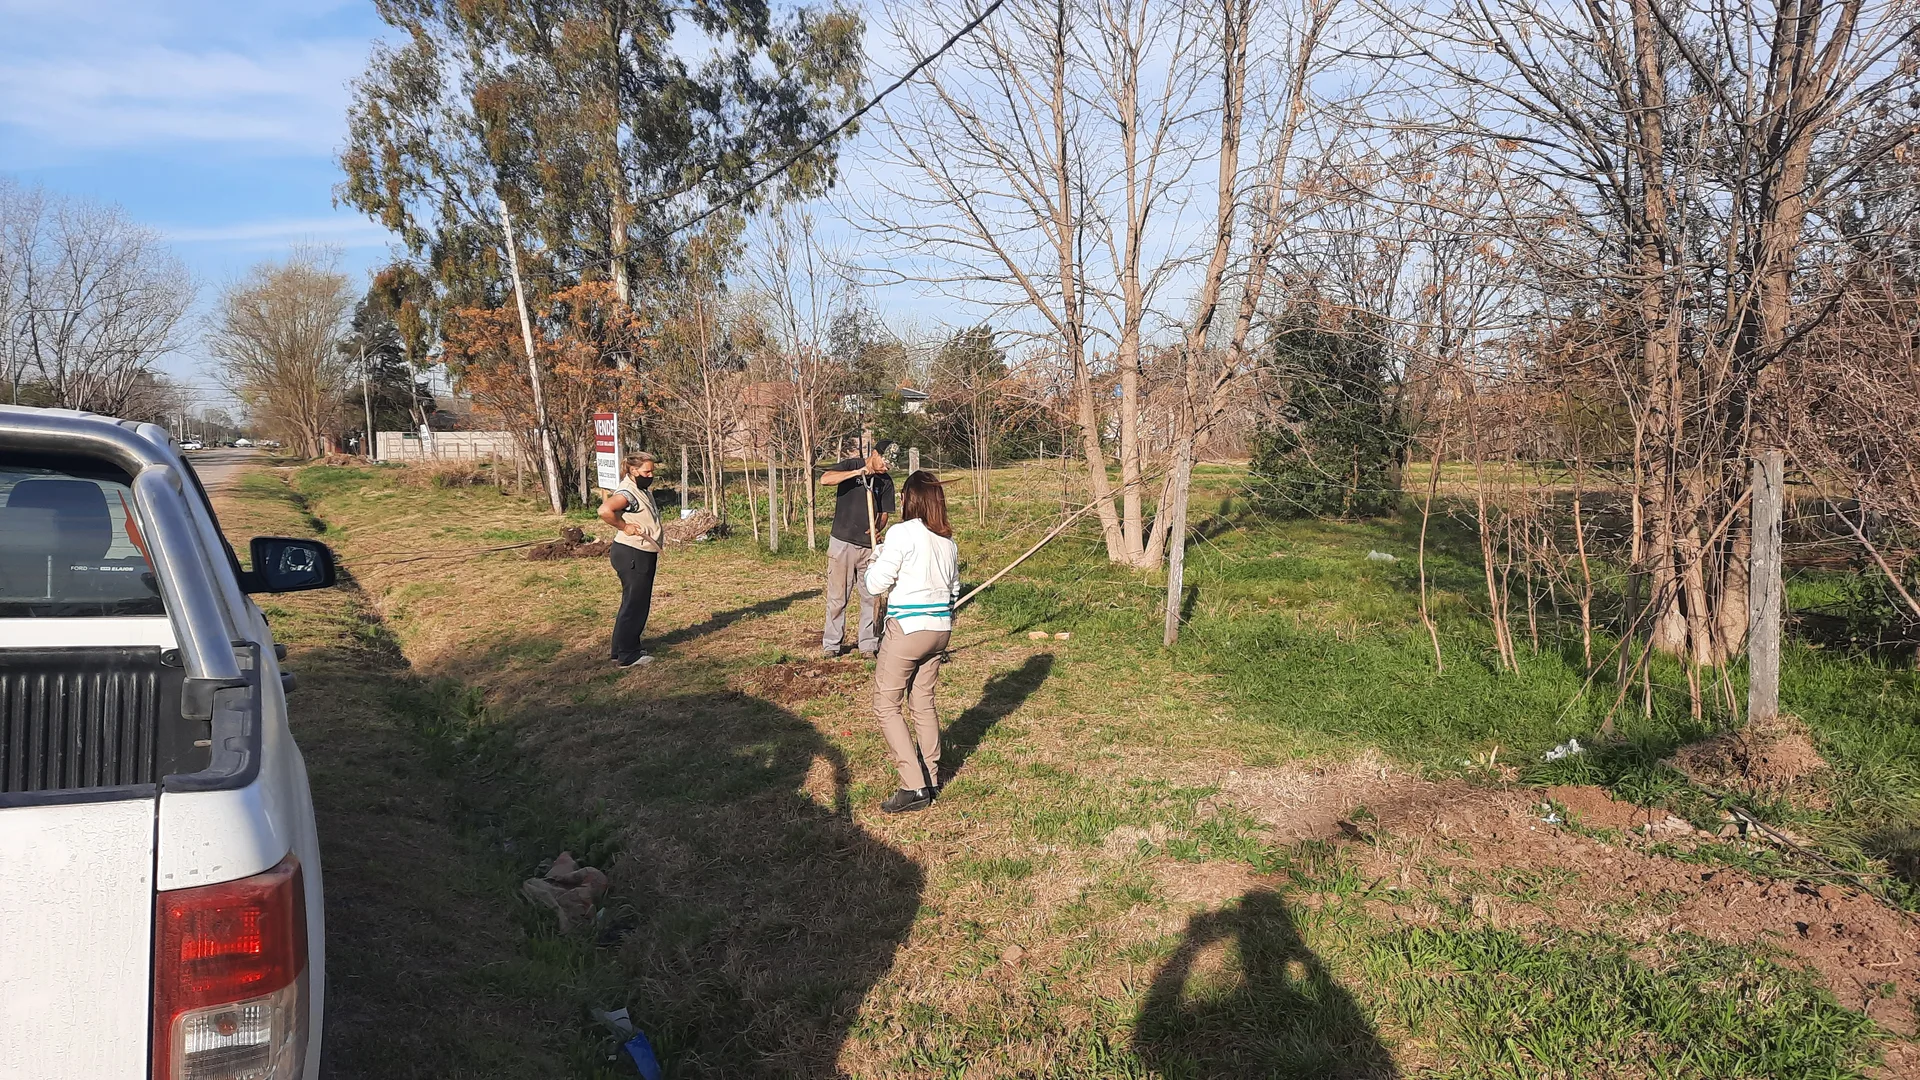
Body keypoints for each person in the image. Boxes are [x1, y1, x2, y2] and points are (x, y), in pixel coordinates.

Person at [863, 470, 961, 813]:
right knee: (923, 702)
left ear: (911, 499)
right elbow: (954, 592)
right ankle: (932, 777)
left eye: (904, 495)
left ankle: (913, 786)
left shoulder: (901, 534)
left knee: (886, 705)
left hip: (907, 630)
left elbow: (875, 585)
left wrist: (876, 557)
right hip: (941, 629)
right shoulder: (948, 542)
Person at [818, 439, 896, 658]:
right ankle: (832, 645)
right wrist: (857, 473)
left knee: (870, 597)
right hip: (842, 543)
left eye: (890, 465)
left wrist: (878, 528)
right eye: (884, 462)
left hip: (868, 549)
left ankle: (868, 645)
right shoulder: (851, 466)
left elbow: (884, 514)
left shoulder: (886, 482)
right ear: (874, 453)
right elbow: (825, 480)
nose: (886, 467)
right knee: (837, 597)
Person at [597, 451, 664, 668]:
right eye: (647, 471)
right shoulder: (628, 492)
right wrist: (624, 526)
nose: (651, 474)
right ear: (633, 471)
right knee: (635, 605)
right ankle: (628, 656)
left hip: (636, 554)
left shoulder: (639, 488)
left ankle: (621, 649)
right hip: (633, 554)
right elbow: (605, 510)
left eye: (652, 470)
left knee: (630, 603)